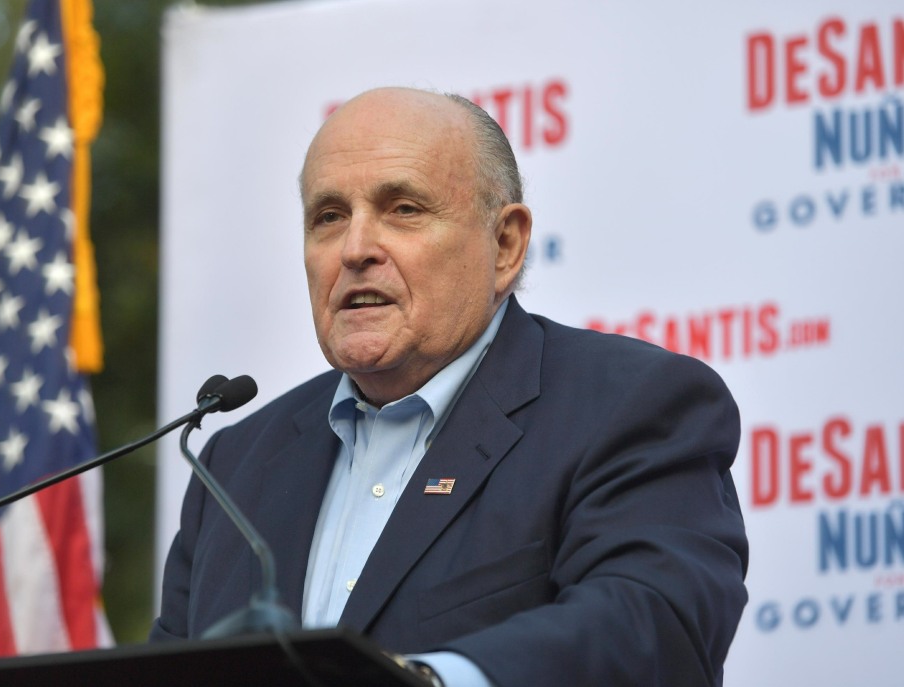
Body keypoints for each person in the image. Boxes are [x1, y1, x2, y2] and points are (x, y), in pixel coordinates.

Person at [151, 87, 749, 686]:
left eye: (403, 209)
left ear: (505, 245)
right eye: (329, 217)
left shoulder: (628, 405)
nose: (355, 250)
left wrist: (428, 682)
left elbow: (654, 626)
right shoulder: (235, 465)